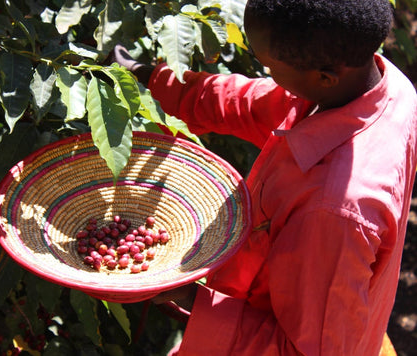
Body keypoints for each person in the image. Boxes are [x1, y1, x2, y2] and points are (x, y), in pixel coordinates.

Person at [112, 0, 417, 355]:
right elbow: (254, 103)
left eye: (270, 66)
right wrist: (152, 79)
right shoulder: (384, 85)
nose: (266, 74)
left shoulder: (332, 215)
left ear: (324, 76)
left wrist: (190, 295)